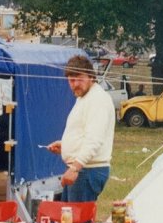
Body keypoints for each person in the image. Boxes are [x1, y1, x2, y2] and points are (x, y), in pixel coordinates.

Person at [47, 55, 116, 202]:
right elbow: (84, 132)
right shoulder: (85, 97)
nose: (76, 84)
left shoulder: (98, 99)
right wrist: (66, 145)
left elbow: (94, 139)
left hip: (87, 171)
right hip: (82, 170)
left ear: (91, 76)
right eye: (72, 80)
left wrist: (75, 168)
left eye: (80, 78)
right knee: (68, 220)